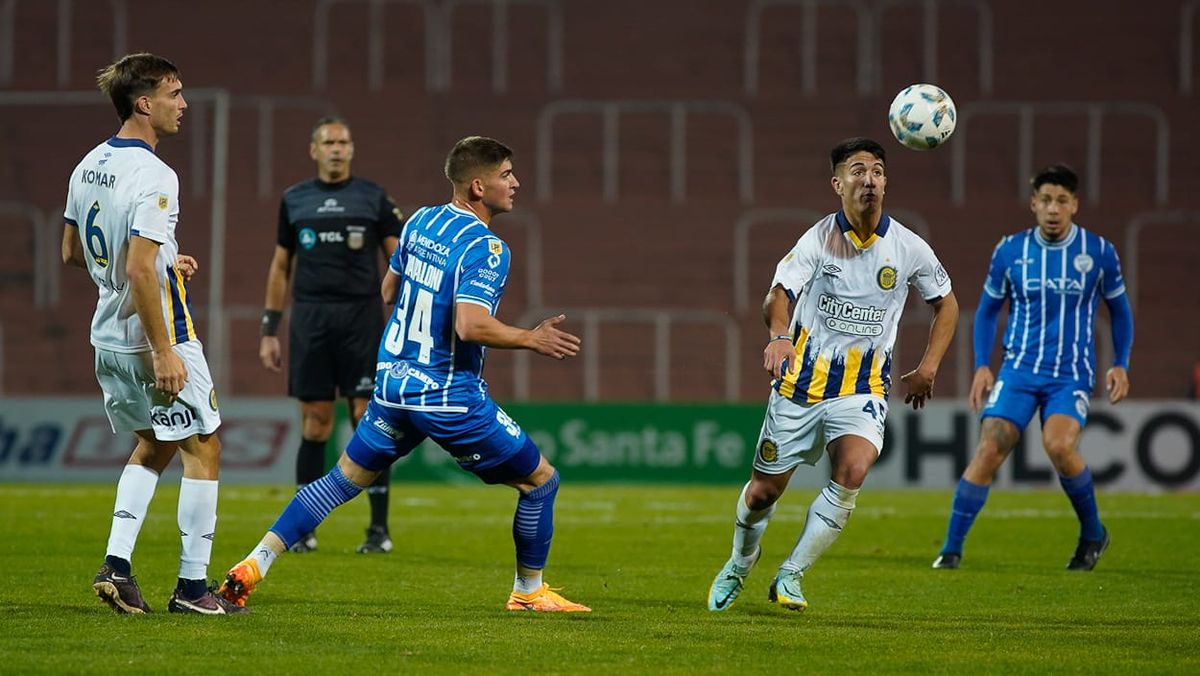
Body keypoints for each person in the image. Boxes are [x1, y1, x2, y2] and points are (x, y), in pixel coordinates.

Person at [219, 136, 591, 613]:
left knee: (342, 479)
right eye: (506, 174)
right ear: (479, 187)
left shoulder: (419, 220)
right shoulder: (487, 247)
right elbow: (469, 325)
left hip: (394, 385)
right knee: (541, 482)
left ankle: (255, 563)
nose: (515, 183)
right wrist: (530, 338)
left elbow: (388, 290)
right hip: (449, 396)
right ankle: (528, 591)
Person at [707, 137, 959, 612]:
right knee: (762, 492)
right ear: (837, 184)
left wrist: (928, 366)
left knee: (853, 471)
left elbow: (946, 303)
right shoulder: (817, 240)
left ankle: (791, 574)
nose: (870, 180)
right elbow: (778, 293)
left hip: (863, 388)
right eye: (858, 171)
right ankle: (740, 562)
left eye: (877, 171)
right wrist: (779, 335)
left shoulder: (909, 247)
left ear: (885, 182)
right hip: (800, 385)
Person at [62, 53, 244, 615]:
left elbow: (72, 252)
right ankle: (192, 588)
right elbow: (139, 269)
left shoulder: (88, 164)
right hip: (156, 336)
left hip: (108, 336)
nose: (183, 104)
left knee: (157, 442)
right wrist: (165, 350)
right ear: (145, 103)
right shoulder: (156, 174)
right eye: (174, 93)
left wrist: (163, 260)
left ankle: (116, 565)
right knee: (204, 446)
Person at [932, 164, 1133, 571]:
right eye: (1045, 200)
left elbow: (1121, 312)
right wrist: (982, 366)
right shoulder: (1010, 251)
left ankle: (1092, 533)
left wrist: (1120, 363)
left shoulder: (1098, 252)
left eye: (1061, 201)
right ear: (1033, 204)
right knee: (990, 448)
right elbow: (987, 311)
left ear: (1074, 205)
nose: (1053, 209)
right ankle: (950, 551)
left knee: (1058, 446)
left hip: (1070, 374)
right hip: (1018, 371)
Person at [260, 116, 404, 554]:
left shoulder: (373, 198)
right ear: (314, 150)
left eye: (343, 142)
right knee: (316, 420)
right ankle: (303, 530)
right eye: (328, 142)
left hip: (362, 319)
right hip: (311, 319)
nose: (337, 149)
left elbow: (399, 259)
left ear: (352, 149)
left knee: (368, 417)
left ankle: (378, 531)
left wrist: (406, 315)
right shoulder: (294, 199)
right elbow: (281, 265)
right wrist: (269, 329)